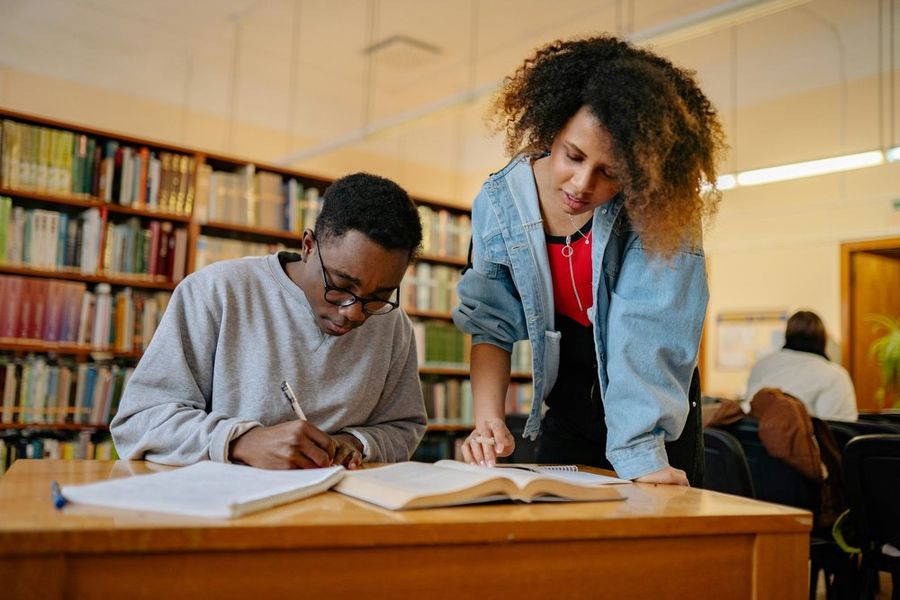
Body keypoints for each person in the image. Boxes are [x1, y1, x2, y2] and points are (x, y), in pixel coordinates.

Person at [452, 35, 726, 485]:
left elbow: (649, 329)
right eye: (572, 156)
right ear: (552, 128)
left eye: (610, 172)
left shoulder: (660, 208)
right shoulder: (499, 204)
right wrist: (488, 420)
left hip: (653, 415)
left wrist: (640, 455)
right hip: (569, 403)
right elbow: (490, 321)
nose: (581, 184)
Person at [111, 172, 427, 469]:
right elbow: (140, 419)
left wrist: (354, 442)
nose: (354, 312)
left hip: (338, 513)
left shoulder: (393, 324)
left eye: (379, 296)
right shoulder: (216, 291)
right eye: (341, 286)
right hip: (226, 514)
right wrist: (241, 442)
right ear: (308, 246)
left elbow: (403, 426)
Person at [745, 310, 858, 422]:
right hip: (801, 439)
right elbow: (839, 429)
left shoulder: (762, 365)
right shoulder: (835, 375)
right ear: (823, 339)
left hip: (750, 439)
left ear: (786, 335)